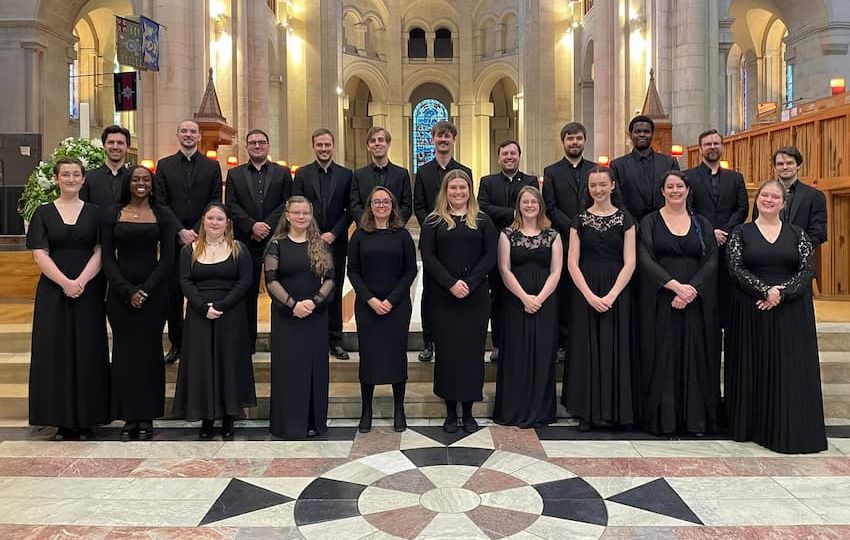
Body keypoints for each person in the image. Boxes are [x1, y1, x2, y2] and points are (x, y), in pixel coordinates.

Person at [725, 180, 826, 454]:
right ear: (757, 200)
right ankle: (754, 427)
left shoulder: (798, 234)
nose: (769, 200)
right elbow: (735, 267)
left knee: (788, 369)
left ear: (783, 203)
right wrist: (764, 290)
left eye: (775, 197)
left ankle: (787, 427)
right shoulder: (741, 232)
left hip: (791, 310)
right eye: (764, 195)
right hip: (752, 308)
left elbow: (808, 270)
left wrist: (782, 292)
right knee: (755, 367)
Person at [26, 157, 109, 440]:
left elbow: (101, 251)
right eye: (66, 175)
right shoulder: (43, 212)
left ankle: (88, 418)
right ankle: (59, 419)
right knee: (55, 353)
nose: (71, 179)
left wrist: (81, 282)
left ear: (84, 179)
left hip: (89, 289)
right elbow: (39, 252)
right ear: (57, 178)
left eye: (76, 175)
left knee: (88, 352)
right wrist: (65, 283)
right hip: (53, 290)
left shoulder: (96, 213)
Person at [638, 171, 720, 435]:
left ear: (687, 190)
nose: (675, 191)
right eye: (670, 187)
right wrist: (674, 286)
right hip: (661, 299)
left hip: (696, 301)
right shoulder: (649, 222)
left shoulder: (702, 223)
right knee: (663, 356)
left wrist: (691, 290)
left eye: (679, 186)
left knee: (696, 356)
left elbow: (711, 260)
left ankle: (695, 420)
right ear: (662, 191)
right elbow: (645, 258)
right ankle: (664, 421)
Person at [101, 165, 178, 441]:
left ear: (152, 183)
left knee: (150, 354)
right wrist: (125, 290)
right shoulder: (112, 214)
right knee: (123, 354)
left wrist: (145, 290)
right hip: (120, 294)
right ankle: (128, 416)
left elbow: (169, 258)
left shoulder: (163, 214)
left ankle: (147, 417)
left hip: (154, 294)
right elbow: (108, 258)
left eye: (146, 179)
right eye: (136, 179)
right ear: (128, 183)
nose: (141, 183)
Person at [421, 170, 497, 433]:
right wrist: (450, 283)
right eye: (453, 188)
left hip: (474, 298)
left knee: (472, 355)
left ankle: (469, 410)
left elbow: (490, 255)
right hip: (444, 298)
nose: (458, 192)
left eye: (462, 188)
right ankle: (451, 412)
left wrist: (471, 282)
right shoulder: (433, 221)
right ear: (445, 190)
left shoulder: (483, 220)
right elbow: (428, 256)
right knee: (448, 355)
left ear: (469, 190)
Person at [172, 203, 256, 439]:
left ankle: (229, 416)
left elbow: (244, 281)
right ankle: (207, 418)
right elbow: (185, 281)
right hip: (199, 314)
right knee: (202, 364)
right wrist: (201, 307)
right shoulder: (189, 250)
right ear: (203, 220)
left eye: (220, 219)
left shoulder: (238, 249)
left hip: (231, 313)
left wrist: (221, 305)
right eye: (211, 218)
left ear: (227, 223)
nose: (215, 222)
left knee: (228, 362)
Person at [562, 167, 636, 431]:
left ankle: (616, 411)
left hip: (617, 290)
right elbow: (572, 262)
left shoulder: (625, 219)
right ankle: (588, 412)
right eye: (593, 185)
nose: (598, 190)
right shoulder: (579, 219)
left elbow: (630, 262)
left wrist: (613, 294)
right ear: (588, 189)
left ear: (613, 185)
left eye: (603, 185)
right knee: (587, 349)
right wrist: (590, 295)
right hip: (586, 289)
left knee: (615, 347)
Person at [265, 196, 335, 439]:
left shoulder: (321, 244)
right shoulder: (277, 244)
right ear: (288, 215)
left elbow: (330, 279)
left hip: (315, 316)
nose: (301, 217)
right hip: (287, 317)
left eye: (305, 213)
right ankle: (289, 424)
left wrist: (314, 302)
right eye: (297, 212)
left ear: (310, 215)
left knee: (314, 369)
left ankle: (314, 422)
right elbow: (271, 280)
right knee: (289, 369)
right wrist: (293, 304)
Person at [348, 187, 417, 433]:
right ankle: (366, 410)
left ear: (392, 205)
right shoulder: (359, 235)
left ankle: (399, 409)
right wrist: (370, 300)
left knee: (396, 356)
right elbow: (352, 271)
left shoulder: (402, 235)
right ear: (370, 205)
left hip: (396, 306)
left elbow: (411, 270)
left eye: (385, 201)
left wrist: (391, 300)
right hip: (368, 306)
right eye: (376, 201)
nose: (381, 205)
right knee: (369, 358)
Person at [493, 186, 561, 428]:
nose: (530, 205)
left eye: (534, 201)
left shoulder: (553, 235)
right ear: (518, 206)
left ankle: (540, 411)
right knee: (516, 354)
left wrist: (539, 298)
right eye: (525, 202)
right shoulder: (507, 234)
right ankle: (513, 409)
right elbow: (504, 269)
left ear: (540, 205)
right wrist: (525, 298)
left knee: (542, 354)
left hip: (546, 301)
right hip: (515, 301)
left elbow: (556, 271)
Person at [156, 119, 223, 364]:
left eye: (192, 131)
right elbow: (160, 203)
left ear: (198, 136)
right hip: (174, 241)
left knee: (203, 291)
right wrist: (179, 231)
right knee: (173, 294)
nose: (188, 134)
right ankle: (177, 344)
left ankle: (201, 343)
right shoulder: (164, 166)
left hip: (204, 240)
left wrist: (196, 231)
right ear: (177, 134)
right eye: (183, 130)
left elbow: (215, 201)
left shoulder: (211, 166)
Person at [226, 129, 291, 354]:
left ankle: (283, 340)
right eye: (252, 142)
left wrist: (267, 226)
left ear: (268, 146)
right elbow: (231, 205)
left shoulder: (282, 173)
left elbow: (286, 203)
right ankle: (248, 342)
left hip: (277, 240)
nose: (257, 146)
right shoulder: (234, 175)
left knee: (280, 290)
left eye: (261, 142)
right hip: (246, 240)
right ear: (246, 147)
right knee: (247, 291)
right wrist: (251, 225)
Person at [413, 120, 472, 362]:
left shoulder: (464, 171)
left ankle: (454, 336)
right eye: (439, 136)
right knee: (431, 293)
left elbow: (469, 203)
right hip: (433, 239)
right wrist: (436, 226)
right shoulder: (423, 171)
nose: (443, 140)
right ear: (432, 139)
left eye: (448, 136)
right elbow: (419, 205)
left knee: (457, 287)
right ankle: (429, 341)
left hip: (458, 241)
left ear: (454, 139)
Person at [293, 128, 353, 360]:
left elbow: (349, 209)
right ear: (313, 146)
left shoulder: (346, 175)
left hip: (336, 242)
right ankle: (313, 337)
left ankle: (335, 339)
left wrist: (334, 233)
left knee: (334, 289)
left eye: (327, 145)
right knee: (310, 287)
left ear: (333, 146)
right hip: (308, 240)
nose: (324, 148)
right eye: (320, 145)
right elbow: (297, 206)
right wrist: (316, 234)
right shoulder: (302, 174)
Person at [478, 140, 537, 361]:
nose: (509, 157)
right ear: (498, 157)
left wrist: (508, 213)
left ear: (519, 156)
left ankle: (520, 341)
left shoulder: (530, 181)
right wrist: (514, 214)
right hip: (494, 245)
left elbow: (534, 206)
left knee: (521, 293)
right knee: (498, 297)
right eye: (505, 154)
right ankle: (498, 343)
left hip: (524, 246)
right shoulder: (488, 181)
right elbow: (483, 207)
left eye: (513, 153)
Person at [542, 122, 597, 362]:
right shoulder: (552, 171)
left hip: (593, 238)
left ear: (584, 141)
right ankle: (563, 341)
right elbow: (551, 208)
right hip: (563, 239)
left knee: (588, 287)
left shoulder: (596, 170)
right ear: (563, 142)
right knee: (564, 290)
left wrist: (586, 225)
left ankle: (585, 338)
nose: (574, 143)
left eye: (578, 138)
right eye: (570, 139)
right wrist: (574, 227)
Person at [683, 129, 748, 325]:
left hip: (728, 244)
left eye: (716, 144)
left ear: (722, 146)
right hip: (700, 242)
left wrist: (725, 231)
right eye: (708, 144)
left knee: (728, 292)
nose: (712, 147)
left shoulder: (735, 178)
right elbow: (688, 207)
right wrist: (710, 231)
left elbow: (742, 208)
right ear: (700, 148)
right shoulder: (688, 176)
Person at [752, 146, 827, 247]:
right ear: (774, 167)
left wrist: (795, 250)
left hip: (800, 257)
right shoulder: (763, 196)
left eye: (789, 163)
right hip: (767, 254)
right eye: (780, 164)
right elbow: (756, 226)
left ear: (799, 165)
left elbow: (819, 232)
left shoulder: (814, 196)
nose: (785, 167)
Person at [610, 115, 680, 222]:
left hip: (665, 223)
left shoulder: (669, 162)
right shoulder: (618, 165)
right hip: (631, 226)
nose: (642, 134)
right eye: (637, 131)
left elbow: (678, 193)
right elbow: (616, 199)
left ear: (652, 134)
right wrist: (629, 223)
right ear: (631, 134)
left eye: (646, 131)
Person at [350, 126, 413, 225]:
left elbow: (406, 206)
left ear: (388, 144)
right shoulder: (358, 175)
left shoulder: (402, 174)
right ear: (368, 146)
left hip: (394, 231)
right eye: (372, 141)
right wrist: (370, 225)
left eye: (381, 140)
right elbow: (355, 206)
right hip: (366, 232)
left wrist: (391, 225)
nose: (377, 143)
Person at [80, 125, 131, 213]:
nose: (115, 147)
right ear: (104, 146)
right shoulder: (88, 178)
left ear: (128, 147)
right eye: (111, 142)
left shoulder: (132, 178)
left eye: (120, 143)